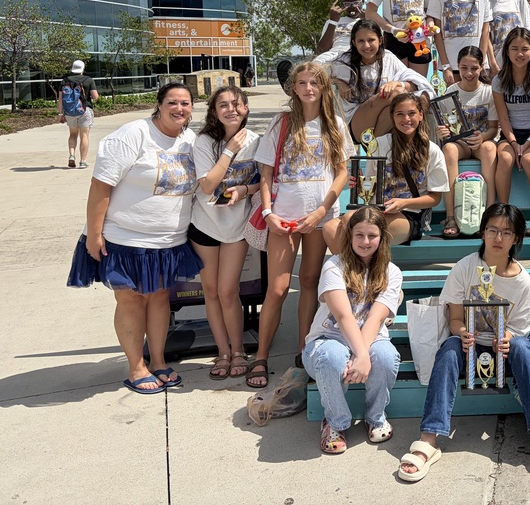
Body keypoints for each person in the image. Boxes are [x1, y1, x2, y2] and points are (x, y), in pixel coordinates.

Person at [398, 204, 530, 485]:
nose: (498, 238)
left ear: (516, 238)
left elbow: (519, 330)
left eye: (506, 232)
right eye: (492, 230)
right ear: (483, 232)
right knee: (449, 348)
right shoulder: (466, 267)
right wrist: (463, 332)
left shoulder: (523, 281)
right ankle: (429, 439)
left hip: (504, 353)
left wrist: (508, 339)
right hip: (469, 348)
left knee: (524, 348)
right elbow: (453, 318)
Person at [67, 82, 202, 394]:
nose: (179, 108)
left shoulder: (191, 141)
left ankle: (157, 360)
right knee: (130, 299)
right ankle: (135, 366)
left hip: (168, 241)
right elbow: (101, 187)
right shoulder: (133, 135)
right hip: (124, 239)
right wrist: (95, 233)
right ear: (159, 104)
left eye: (185, 103)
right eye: (172, 102)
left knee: (158, 299)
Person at [247, 62, 354, 389]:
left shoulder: (334, 124)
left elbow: (341, 173)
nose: (309, 88)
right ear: (293, 88)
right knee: (277, 289)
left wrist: (322, 209)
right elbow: (265, 174)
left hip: (320, 217)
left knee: (309, 281)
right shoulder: (280, 124)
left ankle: (302, 348)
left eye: (315, 83)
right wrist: (268, 213)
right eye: (302, 83)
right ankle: (261, 356)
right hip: (283, 216)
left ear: (324, 88)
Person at [304, 206, 402, 454]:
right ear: (349, 235)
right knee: (333, 357)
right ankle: (335, 422)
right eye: (359, 235)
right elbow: (343, 315)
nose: (365, 241)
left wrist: (362, 355)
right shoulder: (334, 266)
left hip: (370, 339)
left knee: (387, 357)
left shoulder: (392, 272)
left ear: (382, 237)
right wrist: (360, 355)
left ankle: (375, 416)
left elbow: (376, 318)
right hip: (327, 339)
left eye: (372, 235)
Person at [189, 86, 261, 380]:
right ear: (214, 112)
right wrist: (230, 150)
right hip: (205, 226)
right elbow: (207, 185)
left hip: (237, 228)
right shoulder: (204, 141)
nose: (231, 109)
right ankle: (222, 352)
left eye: (236, 104)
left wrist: (245, 189)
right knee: (211, 292)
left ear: (245, 108)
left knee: (228, 291)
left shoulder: (257, 141)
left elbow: (266, 182)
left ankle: (240, 351)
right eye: (223, 105)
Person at [334, 93, 447, 245]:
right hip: (375, 210)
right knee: (331, 228)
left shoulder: (431, 151)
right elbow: (369, 191)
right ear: (392, 117)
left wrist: (404, 203)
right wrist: (359, 185)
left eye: (411, 113)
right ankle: (353, 267)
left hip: (409, 214)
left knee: (361, 227)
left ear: (421, 115)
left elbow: (435, 198)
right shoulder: (379, 145)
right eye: (400, 114)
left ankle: (362, 267)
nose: (406, 119)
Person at [492, 28, 530, 236]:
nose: (520, 53)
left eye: (525, 49)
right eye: (515, 48)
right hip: (510, 135)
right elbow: (504, 119)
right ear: (507, 52)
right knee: (506, 159)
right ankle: (503, 216)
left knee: (528, 160)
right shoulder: (499, 81)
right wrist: (513, 142)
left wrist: (526, 144)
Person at [437, 46, 499, 238]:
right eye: (464, 68)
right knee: (448, 149)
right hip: (460, 145)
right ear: (458, 67)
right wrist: (443, 132)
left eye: (474, 68)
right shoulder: (450, 92)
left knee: (490, 148)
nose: (469, 73)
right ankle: (451, 216)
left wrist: (482, 137)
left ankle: (488, 216)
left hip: (481, 142)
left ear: (482, 68)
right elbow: (447, 127)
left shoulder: (489, 92)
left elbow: (493, 128)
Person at [333, 19, 432, 139]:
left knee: (415, 99)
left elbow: (415, 83)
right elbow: (314, 74)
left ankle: (376, 148)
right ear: (354, 43)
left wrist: (398, 83)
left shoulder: (388, 58)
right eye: (361, 41)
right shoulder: (343, 61)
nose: (366, 46)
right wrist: (338, 82)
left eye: (371, 40)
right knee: (395, 93)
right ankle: (375, 147)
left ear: (380, 40)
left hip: (380, 125)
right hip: (355, 123)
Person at [428, 0, 496, 88]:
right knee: (455, 106)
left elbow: (485, 32)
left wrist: (481, 62)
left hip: (477, 65)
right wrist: (446, 65)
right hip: (452, 65)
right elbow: (437, 33)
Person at [58, 59, 100, 169]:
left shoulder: (65, 80)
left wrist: (60, 114)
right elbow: (95, 97)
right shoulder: (88, 80)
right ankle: (83, 161)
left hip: (70, 111)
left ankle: (72, 155)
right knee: (84, 136)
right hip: (85, 110)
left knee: (73, 135)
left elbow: (61, 99)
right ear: (83, 68)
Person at [314, 0, 366, 67]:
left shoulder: (370, 20)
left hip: (358, 55)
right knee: (315, 64)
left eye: (355, 3)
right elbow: (320, 51)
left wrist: (365, 22)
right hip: (335, 56)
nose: (352, 7)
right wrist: (333, 21)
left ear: (362, 1)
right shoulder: (333, 21)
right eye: (347, 4)